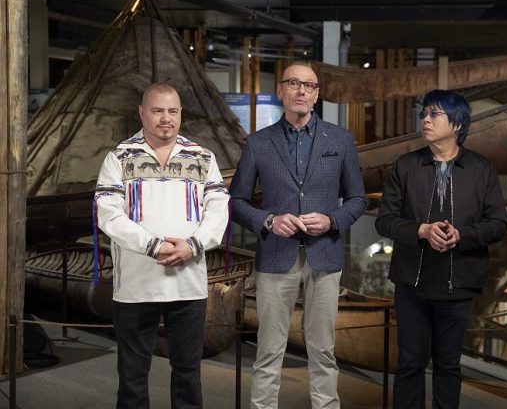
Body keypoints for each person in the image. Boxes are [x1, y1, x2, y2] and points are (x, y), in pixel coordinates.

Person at [229, 62, 367, 409]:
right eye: (293, 83)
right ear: (281, 91)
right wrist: (268, 221)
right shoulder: (258, 143)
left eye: (309, 85)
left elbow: (358, 199)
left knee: (323, 348)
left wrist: (332, 221)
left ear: (317, 94)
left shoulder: (341, 139)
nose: (301, 91)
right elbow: (237, 202)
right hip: (276, 255)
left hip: (325, 254)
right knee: (269, 348)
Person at [94, 82, 230, 409]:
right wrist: (153, 246)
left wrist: (193, 245)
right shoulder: (119, 157)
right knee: (133, 377)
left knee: (187, 373)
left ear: (181, 114)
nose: (165, 118)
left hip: (188, 286)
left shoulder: (201, 157)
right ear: (142, 113)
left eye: (172, 111)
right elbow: (108, 213)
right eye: (157, 111)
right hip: (136, 287)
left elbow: (219, 208)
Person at [375, 89, 507, 409]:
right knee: (409, 365)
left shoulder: (481, 168)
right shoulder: (406, 166)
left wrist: (462, 235)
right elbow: (385, 221)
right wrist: (420, 230)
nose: (425, 120)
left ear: (458, 124)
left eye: (434, 114)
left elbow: (498, 224)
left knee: (448, 366)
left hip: (458, 283)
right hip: (412, 283)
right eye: (424, 114)